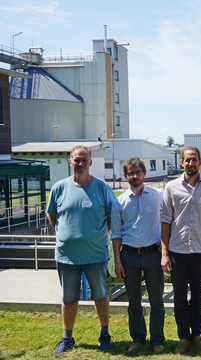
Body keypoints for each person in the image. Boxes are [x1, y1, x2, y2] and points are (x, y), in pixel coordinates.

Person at [47, 146, 116, 354]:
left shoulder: (102, 188)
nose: (80, 163)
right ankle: (67, 337)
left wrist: (94, 236)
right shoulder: (59, 188)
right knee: (69, 297)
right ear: (70, 162)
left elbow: (112, 218)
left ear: (90, 162)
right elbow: (53, 216)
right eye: (76, 160)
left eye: (84, 160)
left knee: (100, 295)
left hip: (95, 255)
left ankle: (104, 334)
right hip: (67, 256)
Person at [161, 146, 201, 354]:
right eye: (187, 160)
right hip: (177, 251)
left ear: (199, 162)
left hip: (199, 251)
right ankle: (183, 337)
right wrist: (164, 253)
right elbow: (166, 221)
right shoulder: (171, 188)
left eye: (194, 160)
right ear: (181, 163)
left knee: (197, 295)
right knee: (179, 296)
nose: (191, 163)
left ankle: (196, 335)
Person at [111, 157, 165, 354]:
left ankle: (157, 340)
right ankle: (138, 338)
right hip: (129, 256)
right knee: (134, 302)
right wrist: (118, 261)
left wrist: (164, 243)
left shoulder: (158, 195)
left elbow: (170, 217)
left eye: (138, 172)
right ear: (125, 176)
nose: (135, 176)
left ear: (144, 173)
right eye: (131, 173)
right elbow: (116, 234)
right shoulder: (119, 202)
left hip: (153, 255)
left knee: (157, 300)